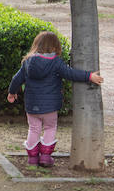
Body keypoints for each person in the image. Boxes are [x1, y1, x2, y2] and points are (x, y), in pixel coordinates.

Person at [6, 31, 103, 167]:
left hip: (31, 105)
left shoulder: (27, 62)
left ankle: (33, 158)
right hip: (50, 107)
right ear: (55, 46)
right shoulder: (55, 62)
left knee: (33, 128)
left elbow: (16, 79)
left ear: (36, 45)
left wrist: (12, 92)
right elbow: (70, 73)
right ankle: (45, 157)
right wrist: (89, 76)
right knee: (50, 128)